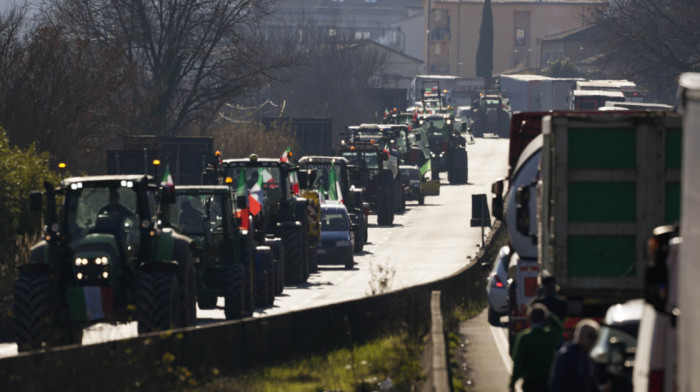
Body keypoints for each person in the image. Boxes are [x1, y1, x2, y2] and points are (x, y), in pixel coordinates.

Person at [510, 303, 564, 392]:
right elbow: (559, 326)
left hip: (530, 382)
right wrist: (547, 313)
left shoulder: (524, 337)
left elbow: (518, 362)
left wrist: (512, 383)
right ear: (544, 318)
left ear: (529, 318)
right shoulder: (550, 335)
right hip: (547, 381)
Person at [549, 319, 602, 392]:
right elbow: (556, 384)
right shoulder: (565, 354)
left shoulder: (589, 357)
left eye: (595, 337)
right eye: (590, 336)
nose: (592, 341)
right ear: (579, 334)